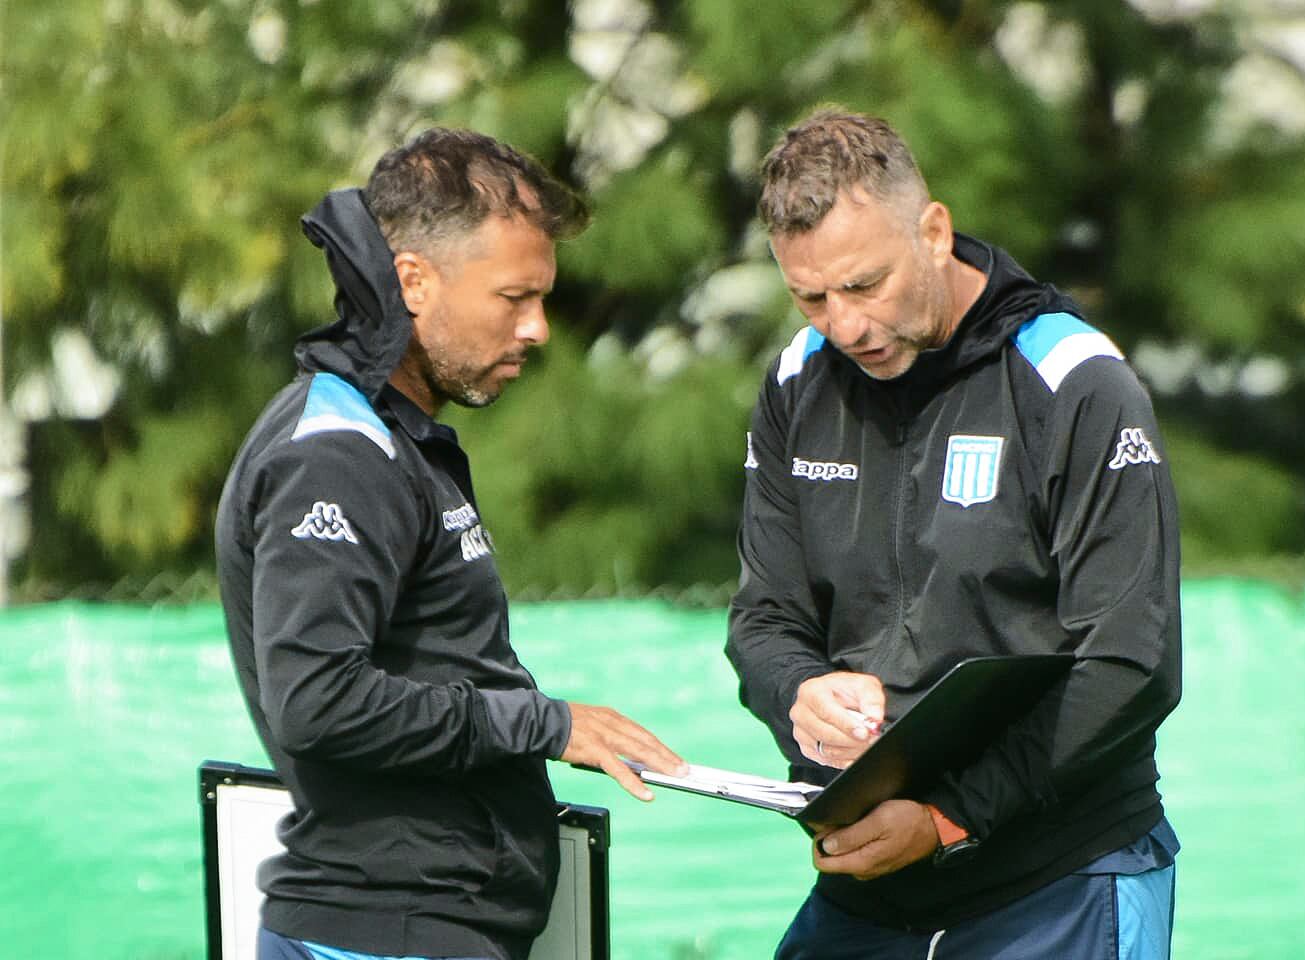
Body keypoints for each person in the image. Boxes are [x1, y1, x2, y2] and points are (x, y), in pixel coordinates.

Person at [215, 128, 687, 960]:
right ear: (414, 281)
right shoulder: (336, 453)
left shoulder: (393, 436)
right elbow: (318, 700)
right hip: (385, 932)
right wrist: (541, 724)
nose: (538, 329)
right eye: (514, 298)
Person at [726, 108, 1182, 959]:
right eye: (810, 296)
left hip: (1062, 877)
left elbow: (1133, 663)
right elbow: (763, 621)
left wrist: (948, 817)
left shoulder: (1074, 381)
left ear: (933, 232)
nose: (845, 325)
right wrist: (798, 692)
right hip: (870, 888)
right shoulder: (797, 379)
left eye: (865, 285)